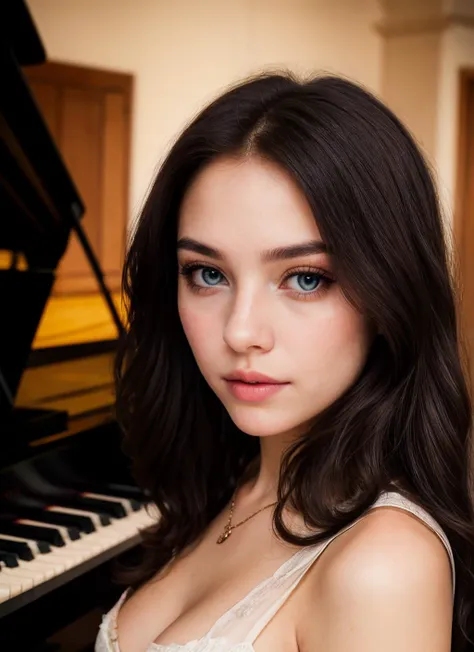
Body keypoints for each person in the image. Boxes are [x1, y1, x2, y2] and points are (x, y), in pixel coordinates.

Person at [95, 71, 474, 652]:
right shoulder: (233, 476)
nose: (242, 331)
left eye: (305, 278)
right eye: (208, 273)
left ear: (390, 291)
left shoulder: (383, 568)